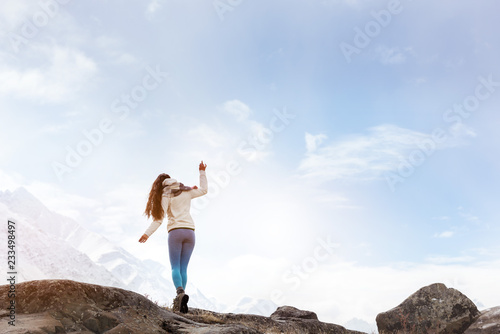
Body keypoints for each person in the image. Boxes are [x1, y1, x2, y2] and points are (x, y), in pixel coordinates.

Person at [139, 160, 208, 313]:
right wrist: (202, 172)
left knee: (175, 267)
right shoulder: (186, 190)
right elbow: (204, 190)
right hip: (190, 232)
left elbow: (158, 219)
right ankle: (182, 300)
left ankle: (180, 293)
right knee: (184, 268)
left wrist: (146, 234)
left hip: (175, 232)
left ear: (161, 184)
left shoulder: (165, 195)